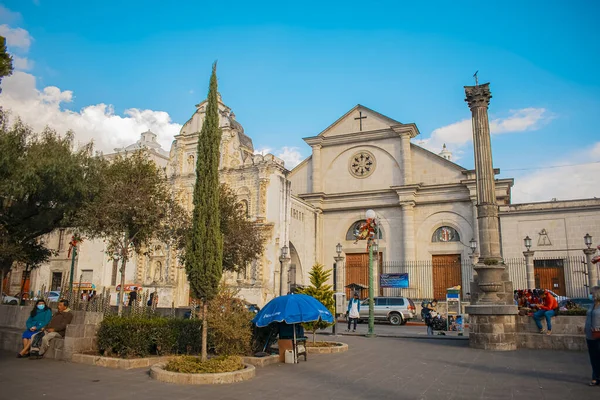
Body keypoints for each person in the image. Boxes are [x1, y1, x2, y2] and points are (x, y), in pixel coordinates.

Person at [585, 286, 600, 386]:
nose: (591, 295)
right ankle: (595, 377)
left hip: (598, 335)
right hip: (590, 335)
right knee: (593, 357)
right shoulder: (592, 305)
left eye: (592, 293)